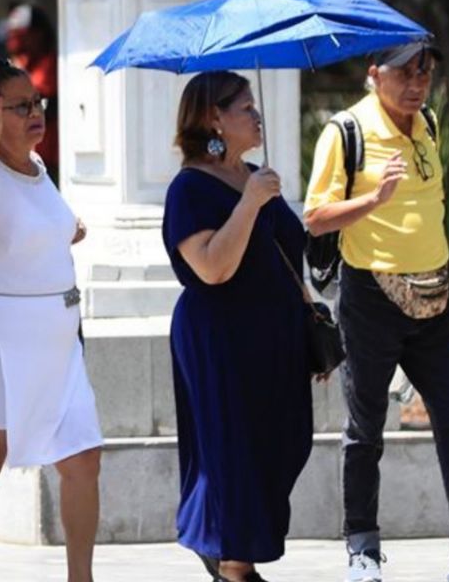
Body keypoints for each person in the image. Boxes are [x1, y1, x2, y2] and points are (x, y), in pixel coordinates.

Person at [304, 42, 449, 582]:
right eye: (405, 72)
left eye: (426, 71)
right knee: (365, 429)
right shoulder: (345, 132)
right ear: (374, 75)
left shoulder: (428, 123)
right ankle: (362, 550)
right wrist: (373, 200)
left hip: (434, 298)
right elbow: (316, 218)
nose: (417, 83)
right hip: (370, 299)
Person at [0, 59, 102, 582]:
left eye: (38, 103)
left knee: (83, 455)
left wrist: (67, 231)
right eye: (21, 106)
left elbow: (40, 226)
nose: (36, 113)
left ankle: (82, 578)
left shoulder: (38, 169)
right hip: (3, 339)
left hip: (58, 339)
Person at [162, 71, 313, 582]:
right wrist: (249, 202)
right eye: (245, 107)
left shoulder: (254, 174)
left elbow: (289, 252)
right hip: (221, 342)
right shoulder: (190, 188)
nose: (257, 114)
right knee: (233, 454)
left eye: (254, 105)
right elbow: (212, 267)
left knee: (284, 445)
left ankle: (230, 553)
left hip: (277, 340)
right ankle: (233, 562)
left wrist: (310, 328)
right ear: (214, 119)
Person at [4, 4, 59, 178]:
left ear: (38, 34)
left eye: (21, 36)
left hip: (49, 156)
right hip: (21, 158)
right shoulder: (18, 63)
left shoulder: (50, 64)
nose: (15, 43)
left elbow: (39, 94)